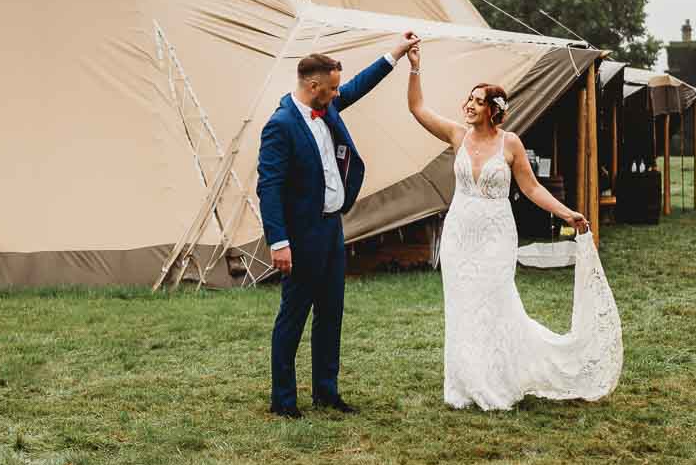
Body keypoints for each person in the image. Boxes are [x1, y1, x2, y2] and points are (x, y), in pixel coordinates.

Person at [405, 43, 623, 410]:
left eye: (477, 101)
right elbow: (417, 109)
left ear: (494, 111)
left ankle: (496, 379)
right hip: (460, 234)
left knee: (494, 303)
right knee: (462, 306)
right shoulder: (457, 135)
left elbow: (532, 188)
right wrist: (414, 68)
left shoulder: (511, 144)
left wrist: (568, 213)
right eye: (469, 99)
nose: (469, 105)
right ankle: (465, 382)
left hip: (495, 235)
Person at [257, 32, 421, 418]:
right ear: (312, 86)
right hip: (300, 235)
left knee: (331, 312)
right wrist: (278, 242)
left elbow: (357, 86)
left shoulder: (326, 106)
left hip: (332, 229)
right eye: (330, 89)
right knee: (294, 316)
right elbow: (269, 187)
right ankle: (283, 401)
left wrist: (395, 54)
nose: (336, 94)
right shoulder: (280, 125)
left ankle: (326, 392)